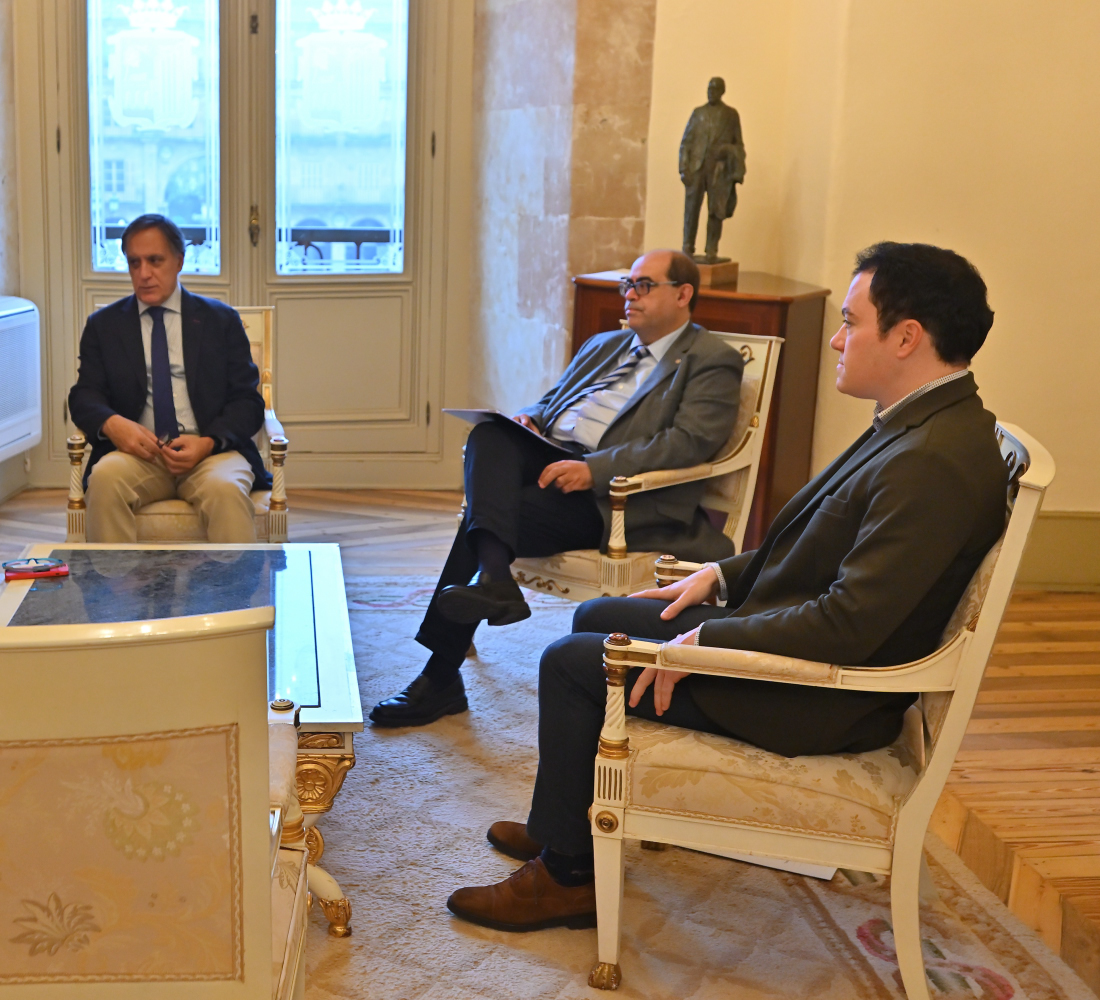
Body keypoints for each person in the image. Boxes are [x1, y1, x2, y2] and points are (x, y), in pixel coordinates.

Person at [445, 241, 1009, 932]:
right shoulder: (919, 422)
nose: (837, 339)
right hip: (796, 640)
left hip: (818, 694)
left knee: (571, 663)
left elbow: (850, 623)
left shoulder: (933, 461)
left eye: (850, 322)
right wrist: (718, 575)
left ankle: (565, 880)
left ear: (906, 337)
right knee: (597, 614)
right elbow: (813, 548)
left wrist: (707, 639)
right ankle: (567, 824)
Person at [370, 249, 746, 727]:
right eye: (627, 285)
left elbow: (689, 441)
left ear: (683, 293)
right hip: (555, 461)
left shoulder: (712, 359)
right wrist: (529, 419)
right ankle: (495, 581)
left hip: (614, 497)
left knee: (485, 518)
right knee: (491, 433)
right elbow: (550, 403)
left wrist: (594, 469)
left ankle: (443, 670)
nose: (630, 295)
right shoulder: (604, 344)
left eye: (643, 285)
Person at [69, 214, 268, 543]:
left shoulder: (220, 321)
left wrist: (207, 443)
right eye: (134, 262)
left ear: (179, 261)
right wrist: (113, 424)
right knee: (104, 479)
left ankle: (235, 581)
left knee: (225, 489)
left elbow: (248, 402)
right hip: (139, 457)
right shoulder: (104, 326)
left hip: (211, 453)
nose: (144, 273)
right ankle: (114, 579)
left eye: (155, 260)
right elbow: (84, 396)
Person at [680, 76, 746, 261]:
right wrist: (683, 168)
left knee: (716, 210)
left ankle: (711, 249)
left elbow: (739, 145)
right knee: (691, 208)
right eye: (709, 89)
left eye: (715, 89)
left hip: (718, 168)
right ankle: (687, 247)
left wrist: (728, 150)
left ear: (722, 92)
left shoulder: (731, 115)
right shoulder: (698, 113)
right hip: (696, 167)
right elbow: (686, 143)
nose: (711, 92)